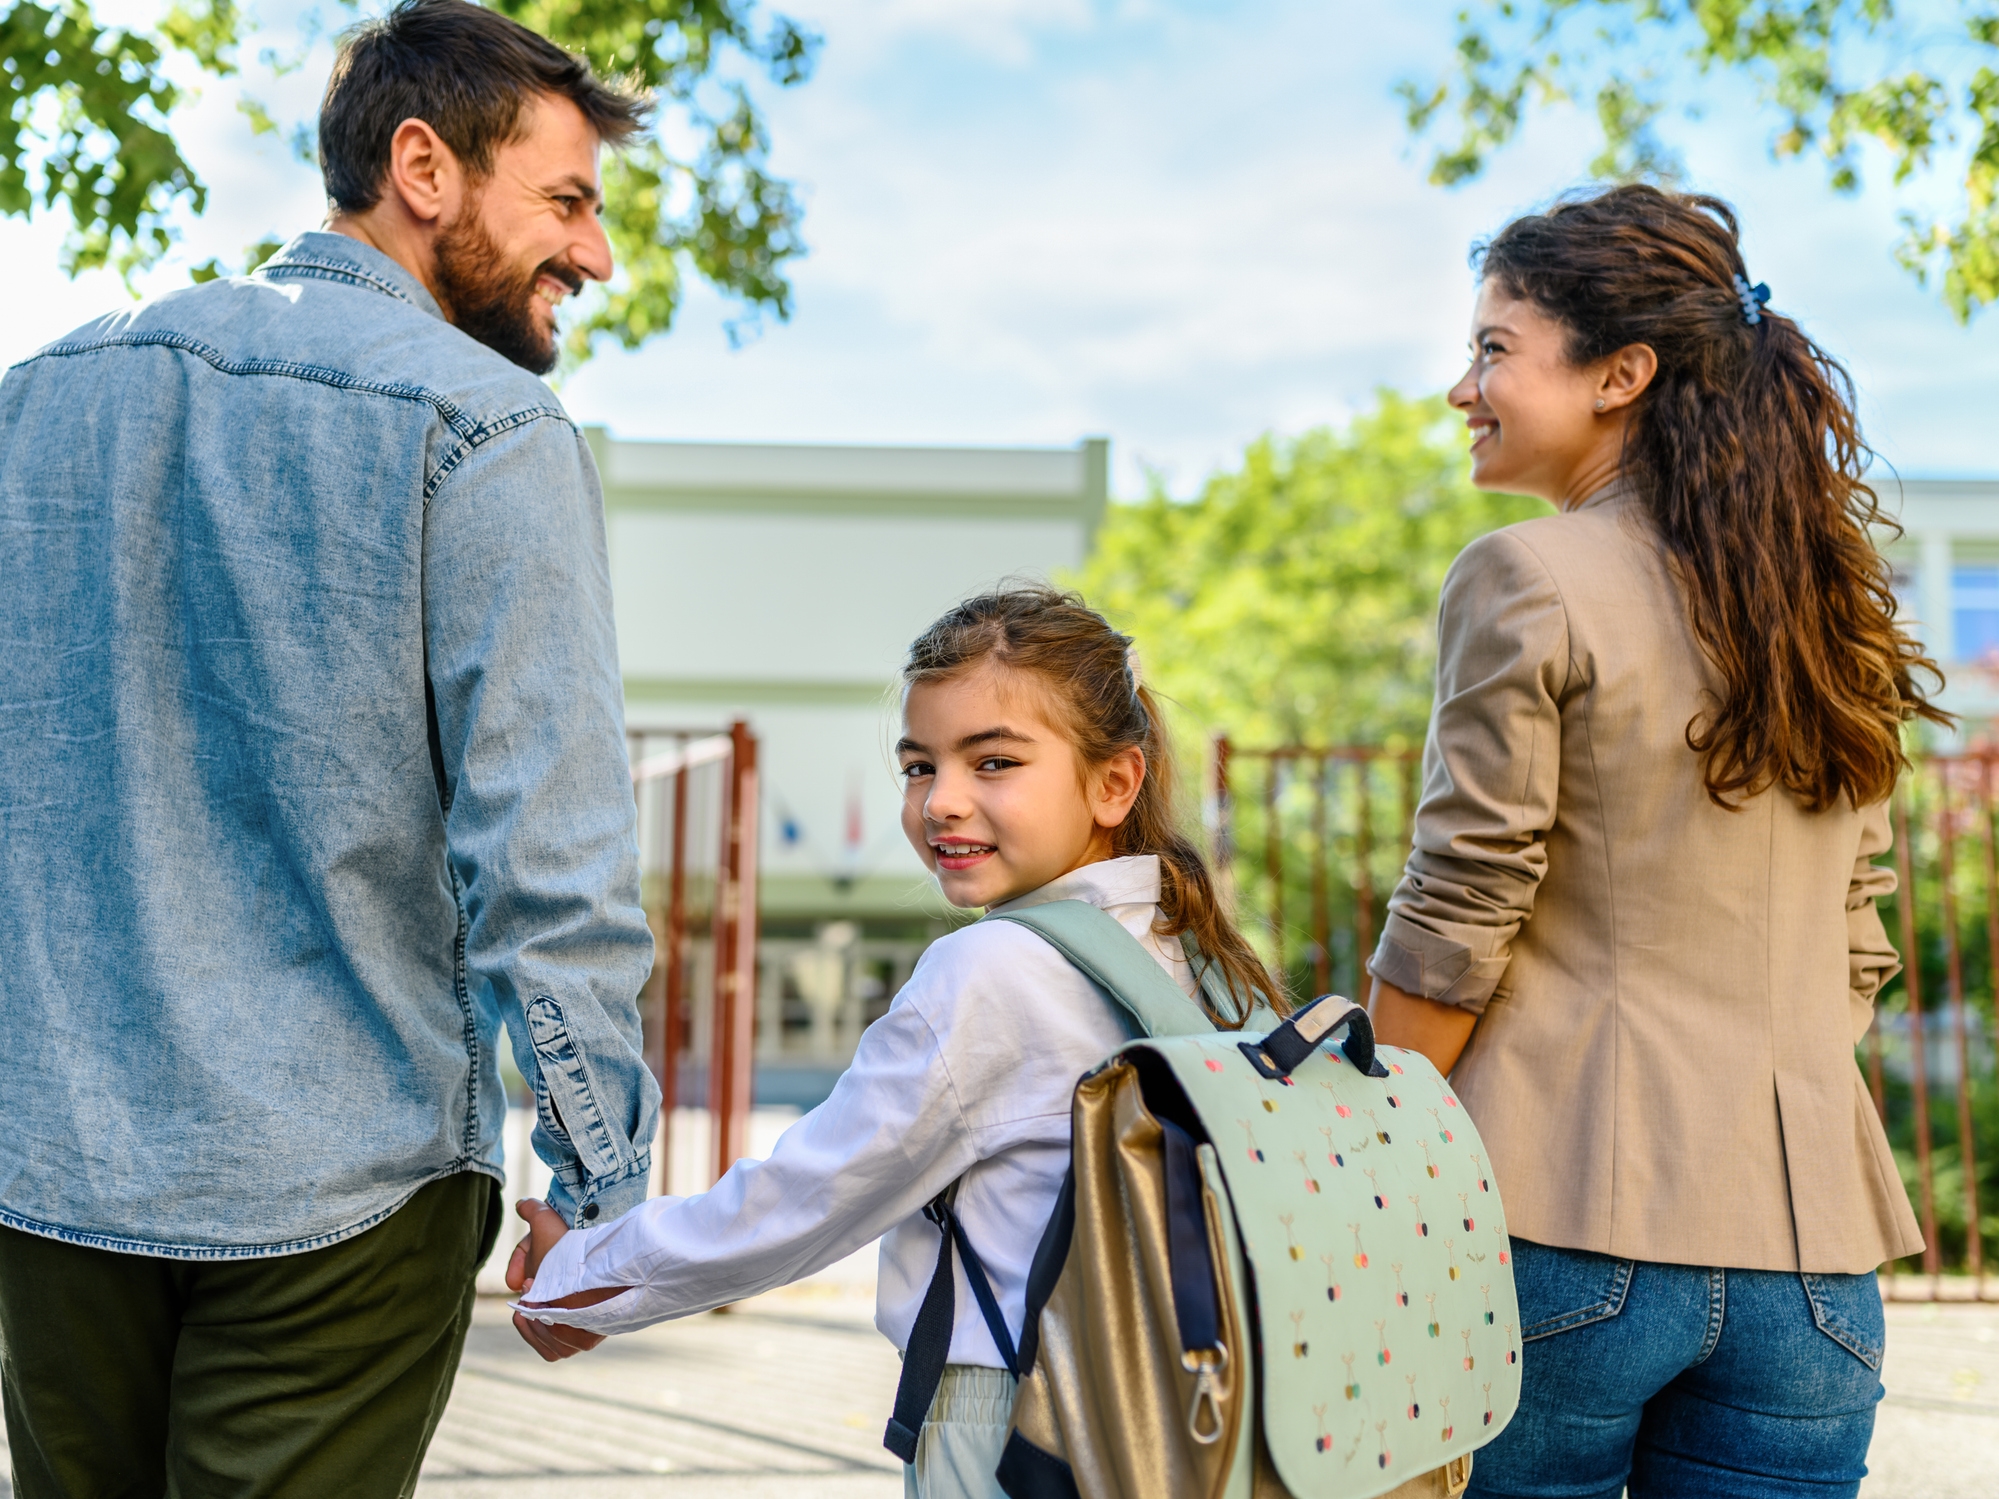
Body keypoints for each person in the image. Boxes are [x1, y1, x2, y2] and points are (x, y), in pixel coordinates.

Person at [0, 2, 661, 1491]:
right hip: (341, 1197)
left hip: (49, 1179)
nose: (595, 255)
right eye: (565, 201)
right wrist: (598, 1179)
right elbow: (547, 864)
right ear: (420, 167)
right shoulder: (487, 431)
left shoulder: (31, 404)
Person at [1364, 183, 1947, 1499]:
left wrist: (1370, 1147)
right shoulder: (1823, 615)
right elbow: (1862, 926)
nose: (1463, 386)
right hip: (1812, 1272)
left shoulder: (1523, 576)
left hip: (1553, 1226)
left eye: (1492, 347)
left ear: (1619, 371)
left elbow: (1460, 908)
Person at [504, 585, 1282, 1499]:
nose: (942, 801)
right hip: (1190, 1418)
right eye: (920, 766)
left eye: (993, 762)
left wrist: (582, 1275)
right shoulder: (1199, 958)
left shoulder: (991, 970)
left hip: (1023, 1430)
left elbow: (806, 1199)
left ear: (1115, 782)